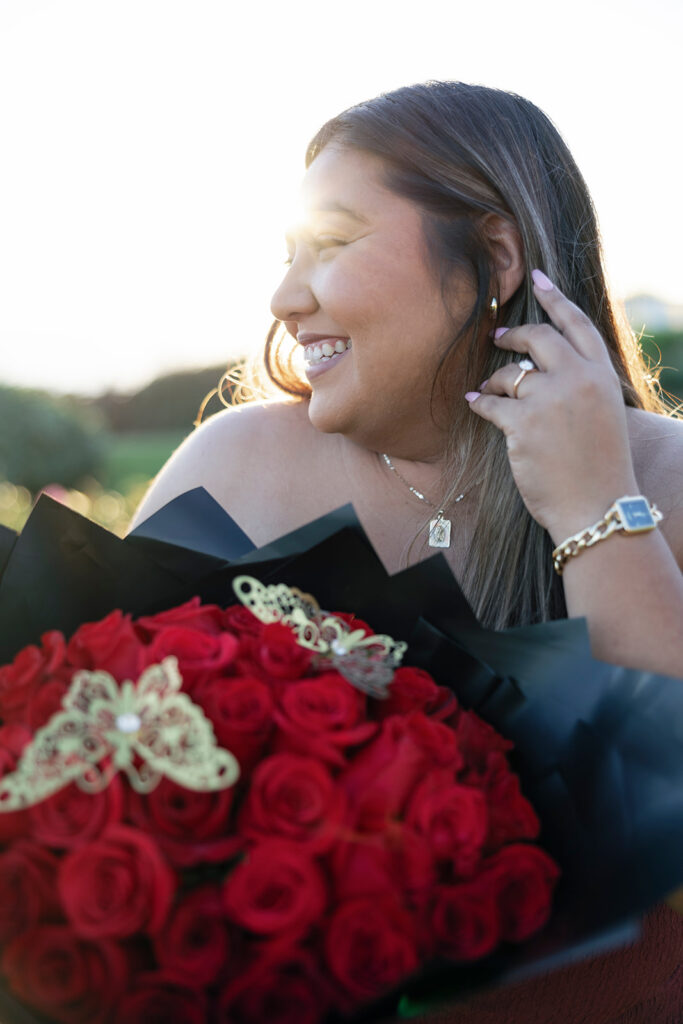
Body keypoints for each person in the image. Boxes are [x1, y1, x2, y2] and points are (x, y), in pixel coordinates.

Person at [129, 82, 683, 1022]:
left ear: (494, 256)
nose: (284, 297)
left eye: (333, 245)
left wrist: (596, 508)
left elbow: (666, 807)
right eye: (288, 255)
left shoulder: (668, 479)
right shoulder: (230, 471)